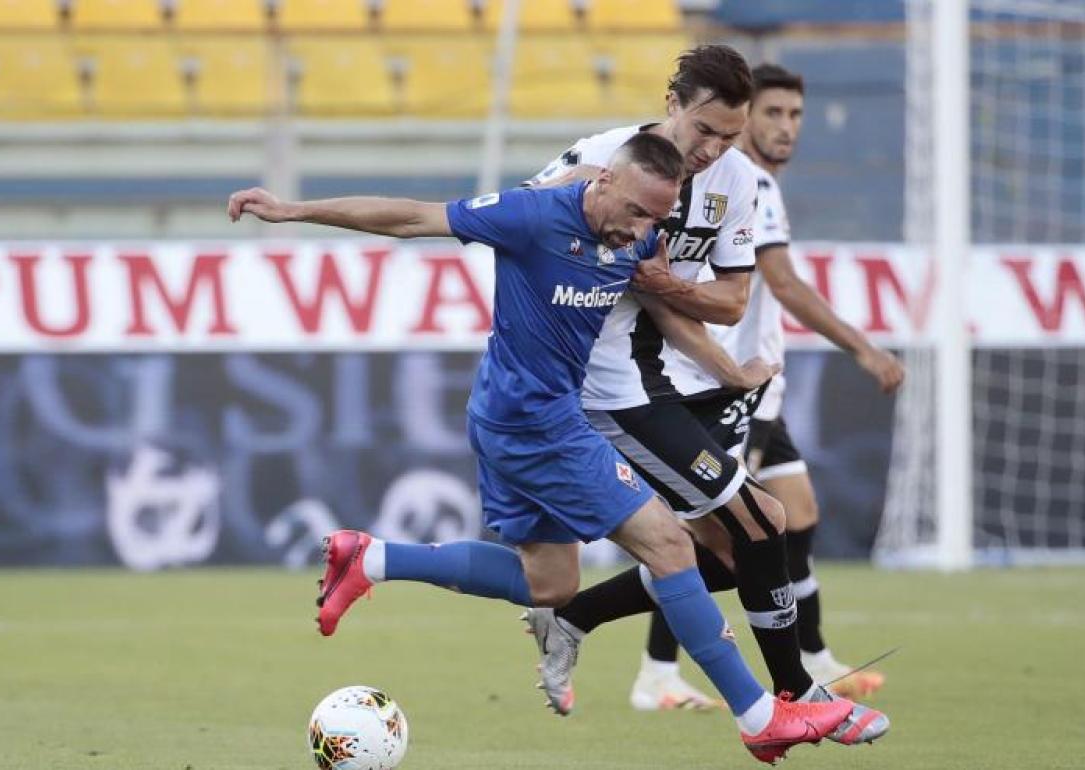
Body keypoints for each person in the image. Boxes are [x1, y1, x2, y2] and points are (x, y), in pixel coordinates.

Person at [226, 133, 877, 764]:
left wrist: (731, 372)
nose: (643, 230)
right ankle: (761, 717)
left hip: (509, 415)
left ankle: (371, 559)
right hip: (538, 422)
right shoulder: (530, 216)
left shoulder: (639, 233)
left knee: (550, 583)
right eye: (635, 210)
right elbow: (410, 218)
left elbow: (668, 311)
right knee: (675, 546)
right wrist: (292, 209)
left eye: (658, 216)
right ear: (603, 179)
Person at [520, 44, 886, 742]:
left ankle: (571, 618)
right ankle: (794, 694)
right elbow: (518, 219)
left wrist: (670, 291)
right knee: (763, 519)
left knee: (720, 551)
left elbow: (731, 299)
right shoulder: (602, 157)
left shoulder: (738, 181)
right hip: (601, 394)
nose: (714, 148)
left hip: (666, 382)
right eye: (704, 131)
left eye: (728, 134)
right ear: (671, 105)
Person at [630, 63, 906, 711]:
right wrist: (864, 349)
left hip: (753, 382)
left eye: (795, 115)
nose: (784, 128)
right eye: (771, 114)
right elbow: (780, 284)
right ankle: (655, 666)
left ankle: (810, 656)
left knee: (794, 513)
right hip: (719, 383)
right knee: (722, 537)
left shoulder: (743, 186)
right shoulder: (739, 183)